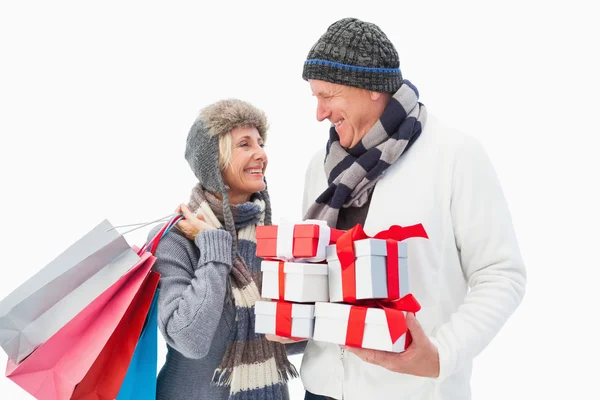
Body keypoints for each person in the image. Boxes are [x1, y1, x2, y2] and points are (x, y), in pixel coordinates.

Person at [299, 17, 527, 400]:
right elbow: (316, 274)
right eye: (315, 97)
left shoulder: (453, 156)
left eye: (329, 95)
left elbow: (501, 275)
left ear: (373, 88)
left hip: (413, 391)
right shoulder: (322, 167)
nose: (319, 113)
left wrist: (441, 356)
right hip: (321, 390)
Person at [149, 99, 301, 400]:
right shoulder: (175, 239)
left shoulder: (273, 239)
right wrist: (215, 248)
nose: (261, 153)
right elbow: (189, 339)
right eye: (244, 144)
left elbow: (288, 341)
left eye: (260, 142)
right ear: (214, 162)